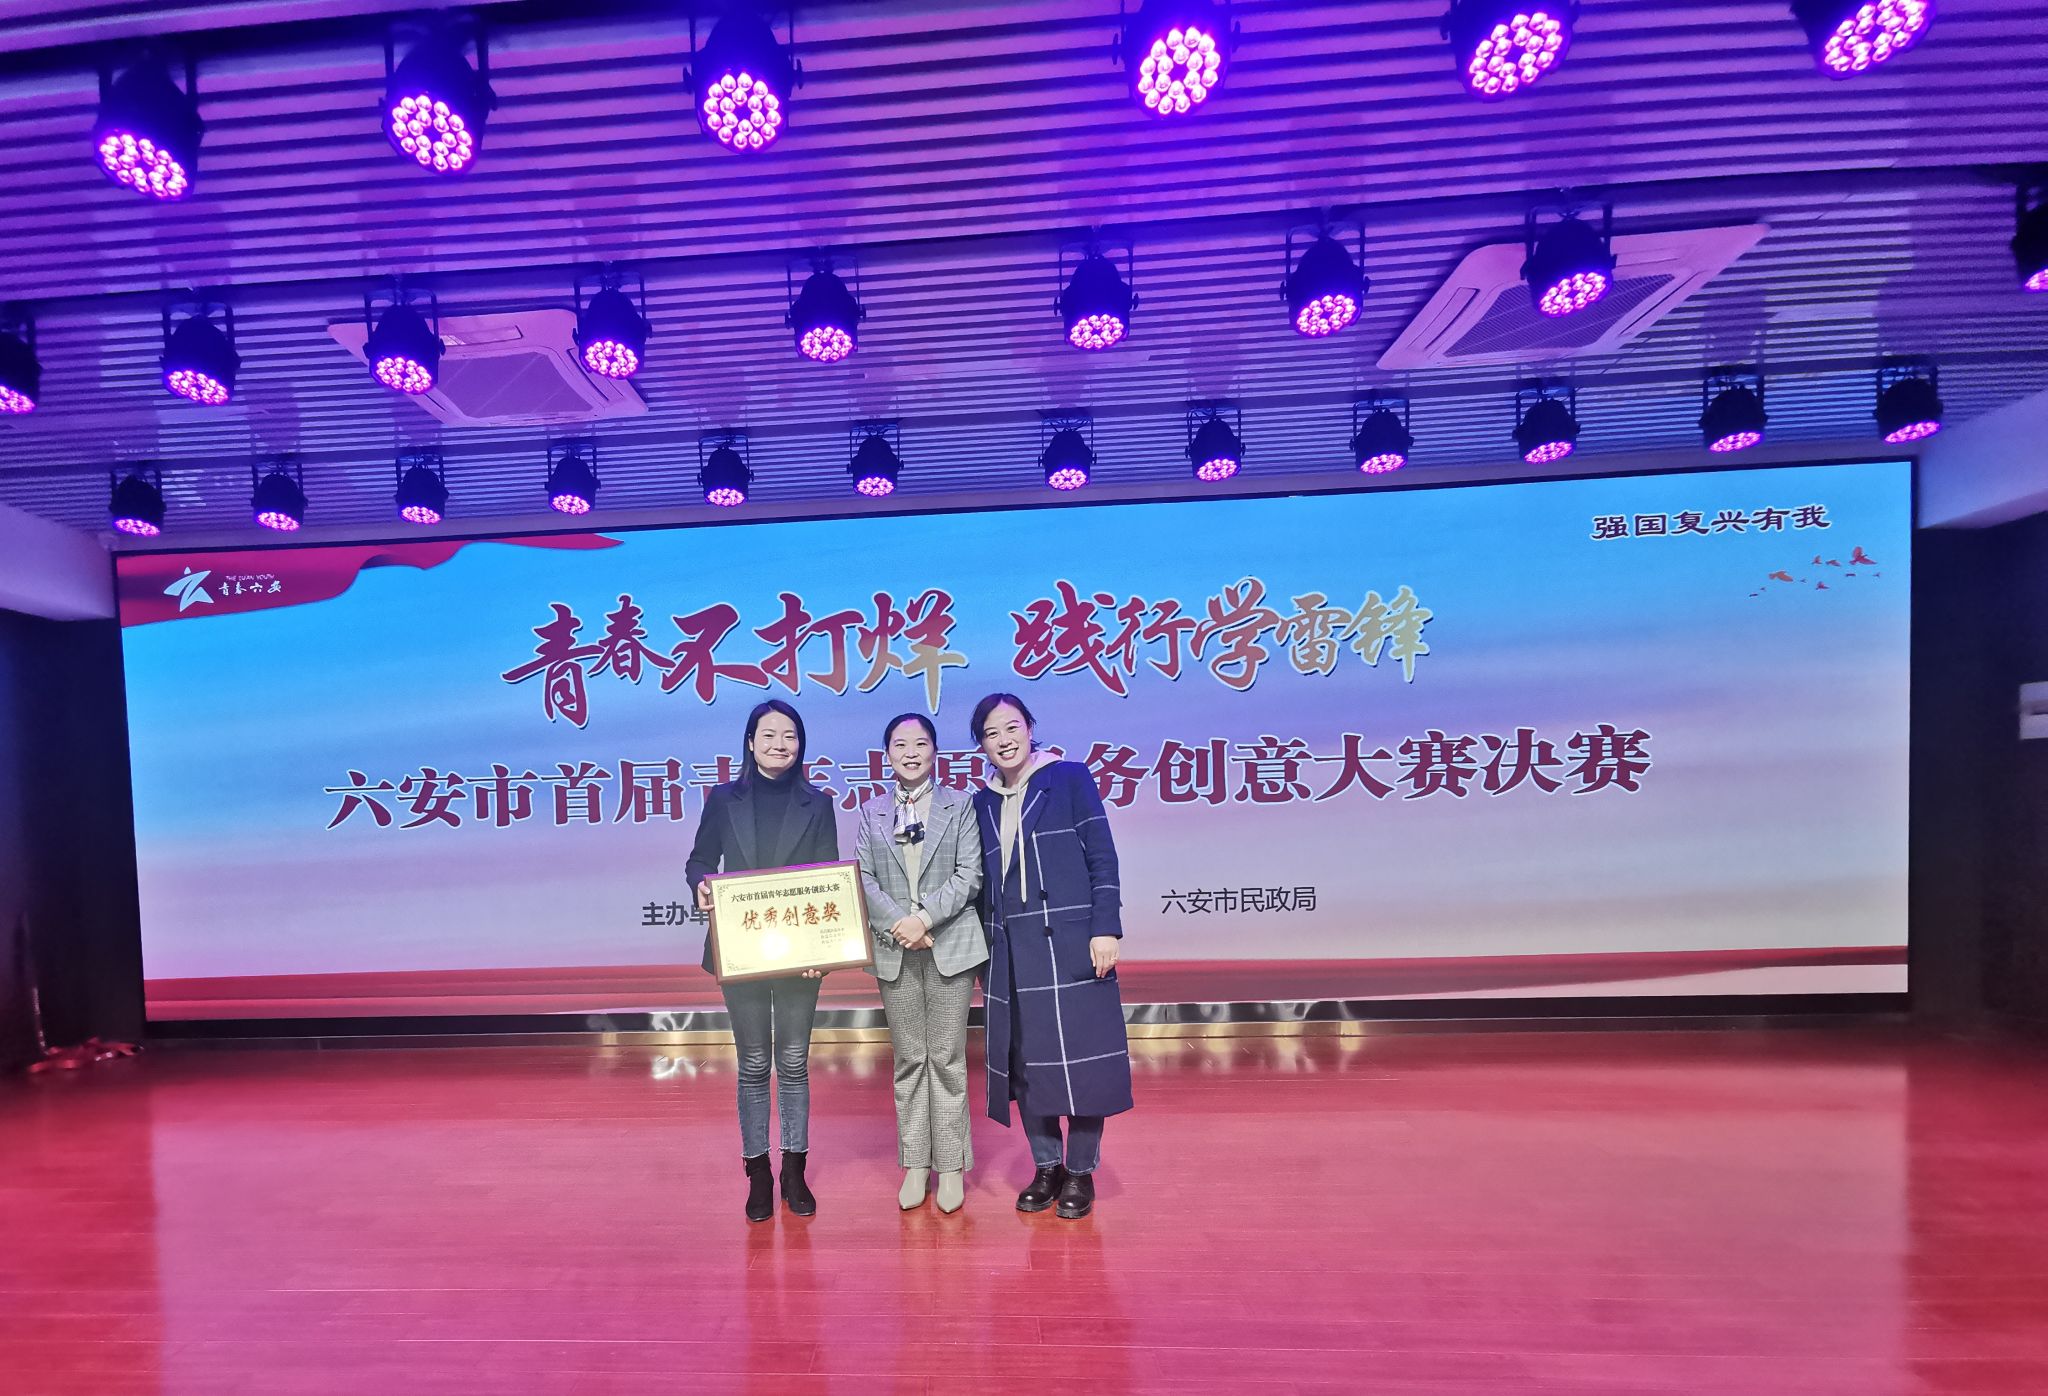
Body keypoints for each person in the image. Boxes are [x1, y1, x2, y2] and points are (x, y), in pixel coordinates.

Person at [969, 693, 1131, 1220]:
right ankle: (1046, 1167)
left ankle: (1080, 1171)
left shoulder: (1068, 778)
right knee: (1028, 1065)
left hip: (1072, 941)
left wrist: (1105, 927)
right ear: (981, 745)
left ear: (1030, 727)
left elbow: (1102, 856)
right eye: (992, 733)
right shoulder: (981, 803)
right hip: (1012, 951)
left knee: (1084, 1062)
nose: (1004, 740)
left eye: (1012, 727)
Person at [686, 699, 839, 1223]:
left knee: (793, 1062)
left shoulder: (819, 804)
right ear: (750, 743)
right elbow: (700, 859)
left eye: (790, 735)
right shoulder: (723, 798)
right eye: (769, 735)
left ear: (801, 745)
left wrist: (825, 950)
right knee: (753, 1064)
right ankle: (758, 1173)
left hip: (799, 954)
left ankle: (794, 1170)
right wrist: (701, 884)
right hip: (742, 947)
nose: (780, 744)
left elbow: (828, 879)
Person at [855, 713, 986, 1214]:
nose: (910, 753)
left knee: (947, 1058)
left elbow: (970, 874)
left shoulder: (961, 805)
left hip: (949, 943)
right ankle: (915, 1163)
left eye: (920, 743)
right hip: (896, 948)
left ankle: (950, 1166)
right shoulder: (871, 812)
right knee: (911, 1058)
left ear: (935, 750)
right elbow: (863, 878)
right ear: (887, 753)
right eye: (900, 744)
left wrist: (925, 919)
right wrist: (901, 924)